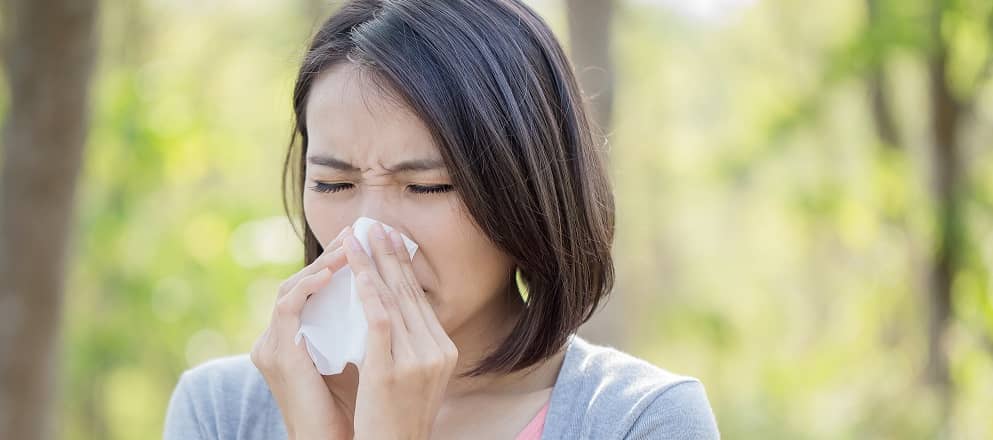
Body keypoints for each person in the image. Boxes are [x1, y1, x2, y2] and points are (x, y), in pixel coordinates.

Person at [163, 0, 719, 438]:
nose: (368, 234)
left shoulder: (638, 421)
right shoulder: (222, 411)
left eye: (426, 186)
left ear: (525, 189)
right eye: (334, 183)